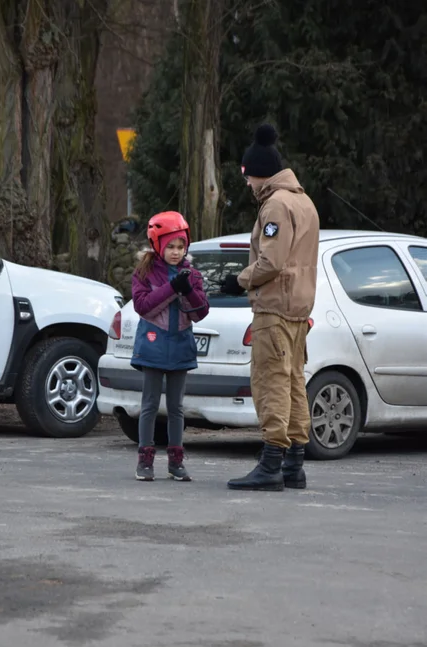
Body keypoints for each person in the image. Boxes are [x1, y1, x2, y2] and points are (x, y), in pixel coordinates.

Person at [221, 124, 319, 491]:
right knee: (294, 382)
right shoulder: (304, 201)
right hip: (297, 309)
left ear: (257, 173)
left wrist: (240, 280)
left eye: (247, 178)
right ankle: (294, 465)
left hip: (275, 308)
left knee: (270, 382)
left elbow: (272, 261)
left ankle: (271, 463)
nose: (247, 185)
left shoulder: (276, 204)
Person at [131, 211, 209, 482]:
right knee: (150, 404)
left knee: (176, 407)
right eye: (171, 247)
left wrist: (186, 288)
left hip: (180, 346)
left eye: (181, 247)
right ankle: (145, 460)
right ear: (158, 245)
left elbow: (200, 312)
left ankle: (176, 462)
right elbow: (143, 306)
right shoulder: (145, 273)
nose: (176, 252)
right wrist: (172, 287)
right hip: (152, 345)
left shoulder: (193, 274)